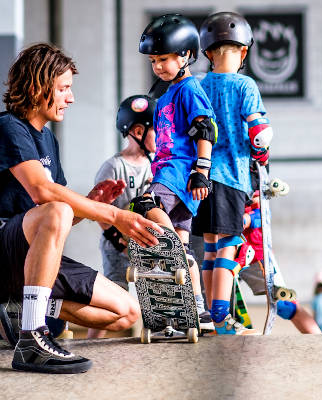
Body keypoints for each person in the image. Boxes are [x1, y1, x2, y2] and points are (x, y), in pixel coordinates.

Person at [0, 43, 163, 374]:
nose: (71, 98)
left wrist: (93, 202)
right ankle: (32, 340)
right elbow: (43, 195)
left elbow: (64, 216)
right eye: (64, 88)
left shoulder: (47, 139)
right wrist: (115, 215)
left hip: (30, 254)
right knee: (56, 209)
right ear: (38, 87)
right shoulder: (8, 127)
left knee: (125, 312)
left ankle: (24, 307)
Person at [133, 14, 217, 330]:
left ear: (185, 55)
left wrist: (201, 170)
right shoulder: (168, 93)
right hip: (174, 176)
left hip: (178, 172)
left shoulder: (189, 88)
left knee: (142, 205)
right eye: (154, 60)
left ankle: (166, 254)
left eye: (164, 59)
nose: (157, 66)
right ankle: (198, 310)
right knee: (183, 243)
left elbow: (205, 127)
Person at [190, 12, 272, 335]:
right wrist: (263, 154)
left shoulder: (197, 84)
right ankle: (221, 317)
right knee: (230, 244)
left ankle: (211, 316)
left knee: (210, 246)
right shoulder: (245, 85)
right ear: (244, 52)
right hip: (232, 177)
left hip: (200, 176)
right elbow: (258, 132)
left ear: (208, 53)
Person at [86, 95, 156, 339]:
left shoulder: (156, 164)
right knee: (114, 297)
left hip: (145, 243)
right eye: (157, 130)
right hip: (118, 245)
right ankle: (91, 342)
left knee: (155, 293)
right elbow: (98, 208)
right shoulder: (113, 166)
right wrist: (116, 238)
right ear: (138, 131)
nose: (163, 136)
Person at [236, 191, 322, 334]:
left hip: (255, 252)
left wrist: (248, 219)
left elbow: (263, 213)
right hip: (224, 247)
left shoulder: (253, 174)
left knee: (284, 305)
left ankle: (319, 343)